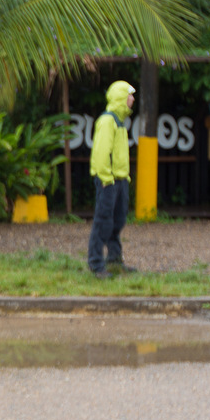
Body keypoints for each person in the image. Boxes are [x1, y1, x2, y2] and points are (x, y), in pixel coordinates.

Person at [87, 80, 136, 278]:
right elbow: (100, 152)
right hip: (109, 181)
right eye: (129, 95)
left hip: (120, 180)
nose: (132, 99)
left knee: (117, 220)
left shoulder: (119, 121)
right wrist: (106, 178)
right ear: (120, 98)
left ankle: (114, 259)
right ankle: (96, 263)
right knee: (103, 221)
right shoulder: (108, 121)